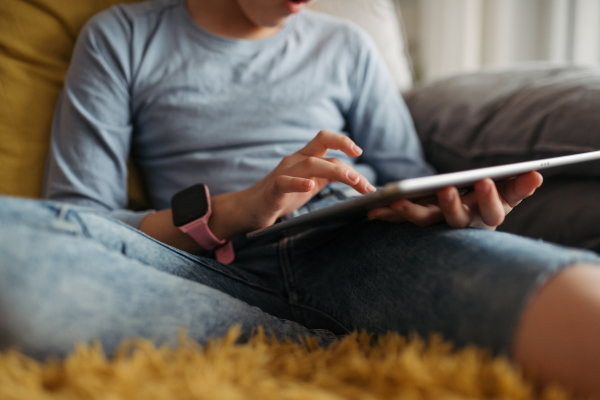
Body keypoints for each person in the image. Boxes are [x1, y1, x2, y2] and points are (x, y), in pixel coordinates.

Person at [1, 0, 599, 395]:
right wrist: (234, 210)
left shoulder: (346, 46)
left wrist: (448, 214)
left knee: (579, 301)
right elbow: (81, 221)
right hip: (196, 271)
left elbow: (410, 179)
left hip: (354, 249)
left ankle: (328, 327)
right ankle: (312, 339)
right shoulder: (122, 36)